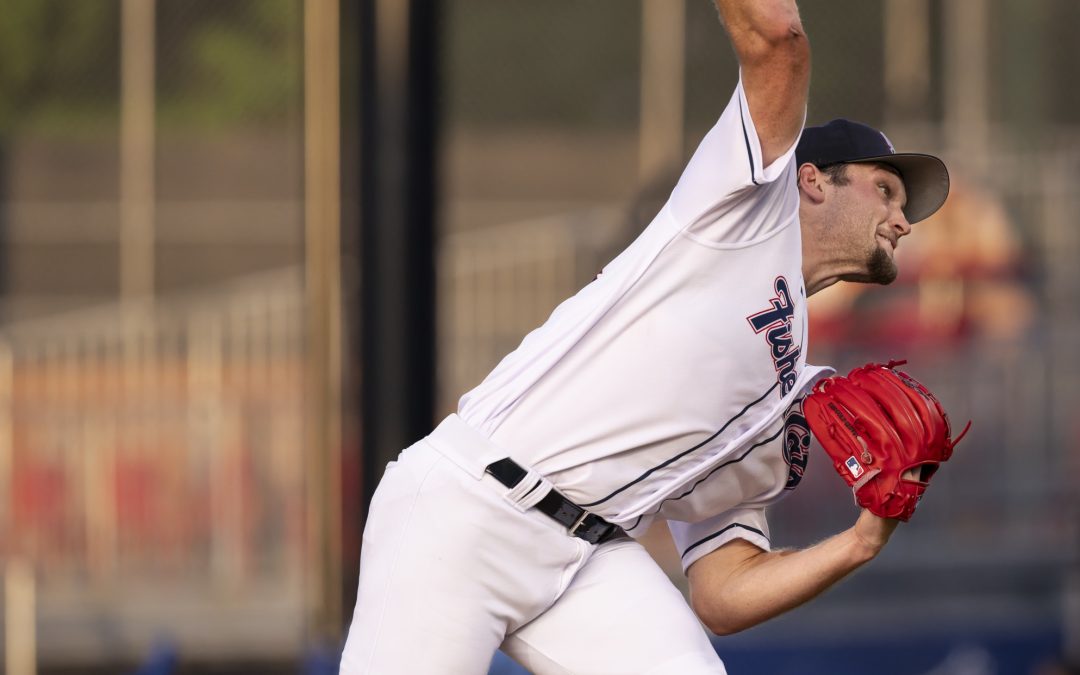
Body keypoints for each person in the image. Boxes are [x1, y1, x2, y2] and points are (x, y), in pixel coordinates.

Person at [339, 0, 950, 673]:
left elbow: (721, 591)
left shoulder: (794, 402)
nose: (902, 218)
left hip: (587, 559)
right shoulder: (747, 204)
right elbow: (778, 39)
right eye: (886, 190)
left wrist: (861, 541)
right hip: (467, 510)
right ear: (812, 179)